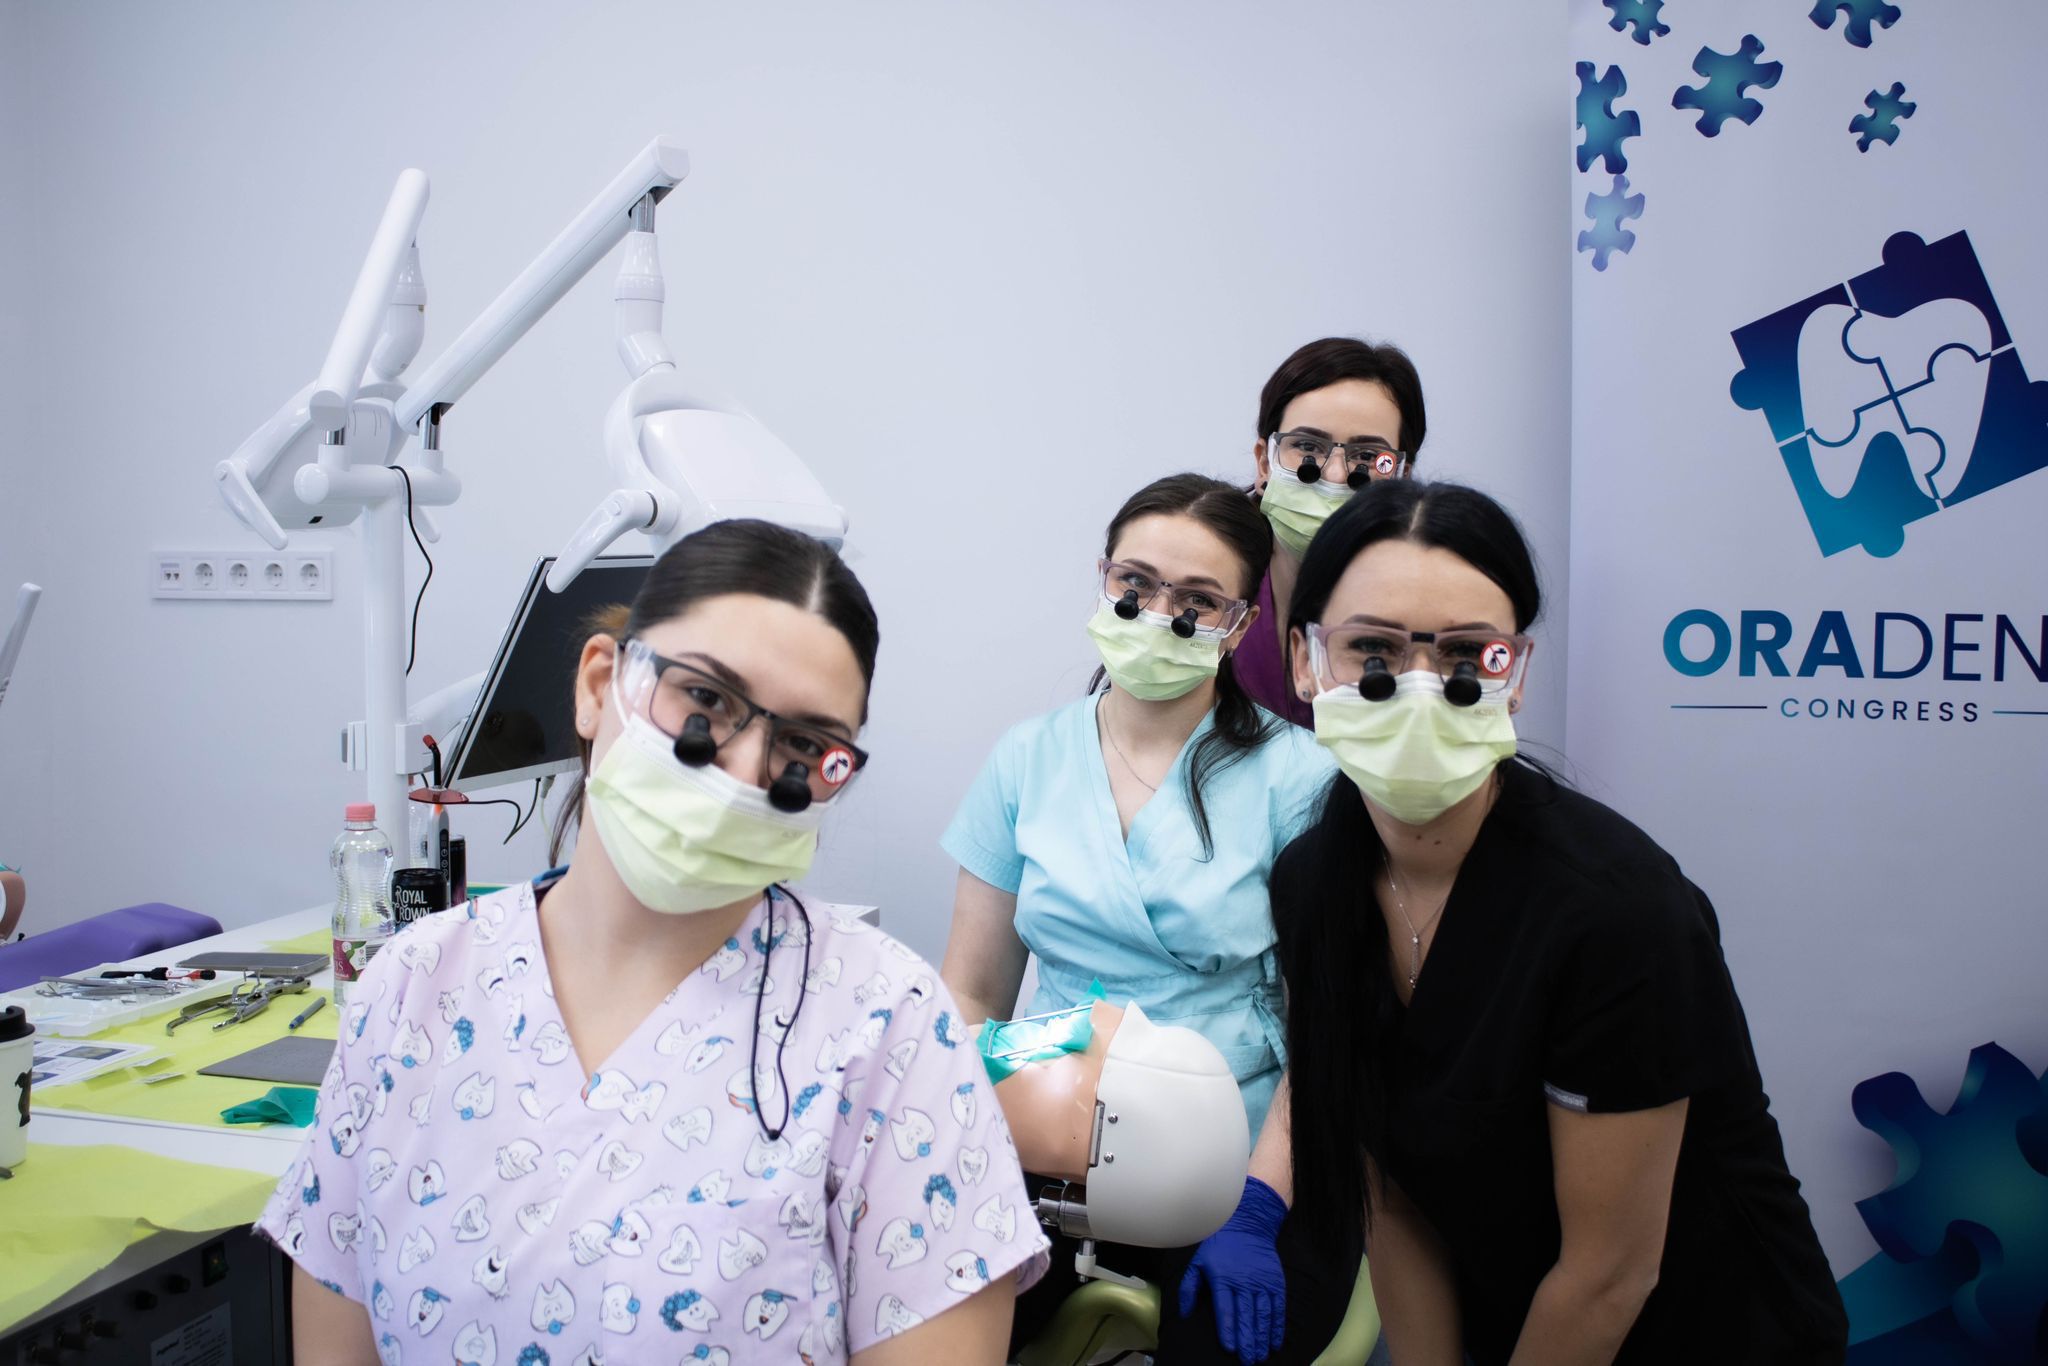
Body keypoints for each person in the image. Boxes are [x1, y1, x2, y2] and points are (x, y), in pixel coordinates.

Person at [259, 520, 1049, 1366]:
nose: (742, 773)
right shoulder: (413, 987)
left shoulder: (887, 1026)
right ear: (599, 685)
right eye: (706, 701)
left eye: (802, 746)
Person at [1272, 480, 1850, 1364]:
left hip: (1707, 1328)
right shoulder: (1314, 884)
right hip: (1515, 1315)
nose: (1420, 689)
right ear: (1306, 660)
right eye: (1372, 650)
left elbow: (1610, 1274)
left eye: (1468, 655)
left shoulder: (1616, 911)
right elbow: (1388, 1194)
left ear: (1517, 675)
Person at [939, 473, 1348, 1362]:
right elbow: (970, 993)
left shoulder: (1300, 778)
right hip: (1043, 1135)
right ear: (1105, 579)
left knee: (1227, 1344)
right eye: (1136, 583)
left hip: (1237, 1156)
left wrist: (1258, 1207)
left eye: (1198, 600)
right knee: (929, 1319)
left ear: (1239, 625)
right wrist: (966, 1147)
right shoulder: (1028, 758)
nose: (1159, 613)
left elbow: (1327, 1034)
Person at [1236, 337, 1427, 727]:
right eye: (1308, 447)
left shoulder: (1433, 617)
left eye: (1368, 456)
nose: (1336, 475)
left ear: (1403, 478)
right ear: (1265, 464)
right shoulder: (1211, 593)